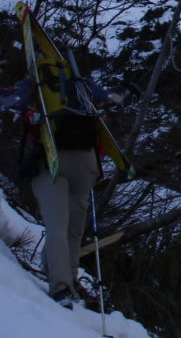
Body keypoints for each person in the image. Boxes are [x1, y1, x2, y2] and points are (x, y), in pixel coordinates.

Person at [0, 57, 134, 308]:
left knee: (56, 227)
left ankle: (60, 288)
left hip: (50, 159)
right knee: (74, 229)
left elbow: (9, 101)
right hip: (86, 163)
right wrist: (127, 87)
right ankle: (69, 280)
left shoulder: (32, 86)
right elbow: (111, 98)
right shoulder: (82, 85)